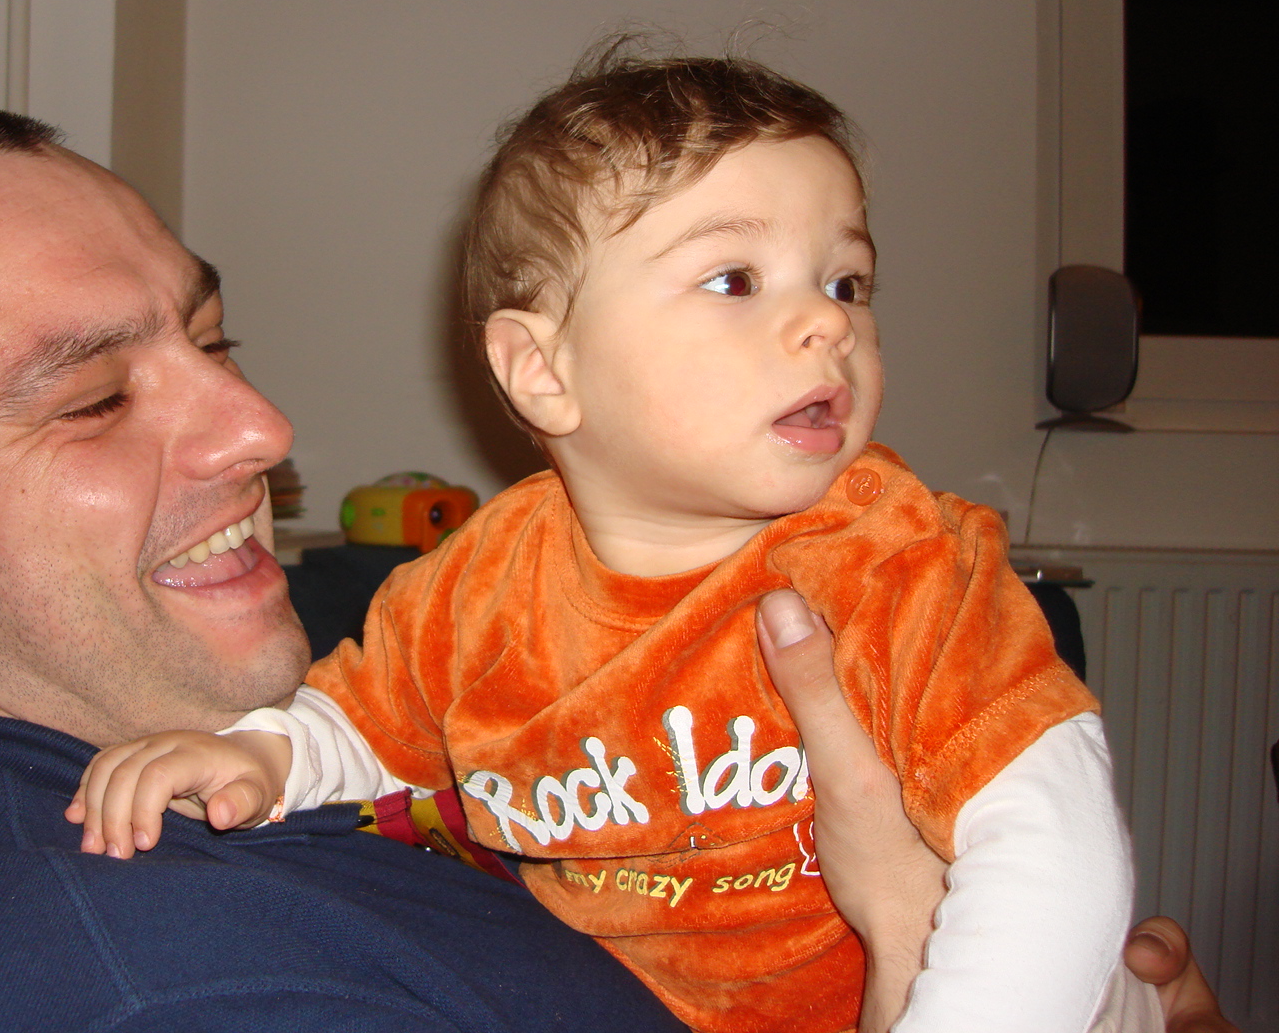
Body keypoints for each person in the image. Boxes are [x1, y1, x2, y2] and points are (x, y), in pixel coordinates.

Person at [0, 105, 1230, 1033]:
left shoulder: (281, 698)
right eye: (90, 400)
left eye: (215, 340)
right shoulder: (165, 985)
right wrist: (911, 965)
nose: (263, 429)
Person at [68, 53, 1155, 1033]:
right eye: (734, 280)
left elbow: (1050, 838)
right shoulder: (481, 586)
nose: (831, 324)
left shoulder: (895, 553)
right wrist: (265, 754)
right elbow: (366, 720)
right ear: (544, 370)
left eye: (847, 283)